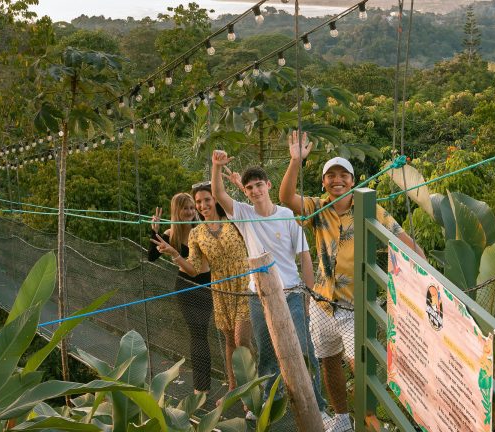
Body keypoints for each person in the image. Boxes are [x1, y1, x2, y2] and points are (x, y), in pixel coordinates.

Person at [279, 130, 426, 432]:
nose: (336, 180)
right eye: (330, 176)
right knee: (328, 360)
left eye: (342, 175)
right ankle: (343, 419)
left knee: (358, 365)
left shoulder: (370, 208)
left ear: (353, 180)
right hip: (322, 302)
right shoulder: (318, 208)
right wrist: (295, 162)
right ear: (323, 182)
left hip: (354, 306)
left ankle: (366, 419)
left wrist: (424, 273)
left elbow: (403, 240)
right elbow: (285, 198)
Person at [210, 149, 329, 419]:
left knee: (304, 347)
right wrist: (216, 167)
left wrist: (309, 296)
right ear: (246, 190)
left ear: (268, 186)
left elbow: (305, 257)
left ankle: (319, 407)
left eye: (258, 185)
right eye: (249, 187)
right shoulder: (243, 214)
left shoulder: (287, 215)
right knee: (266, 352)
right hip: (259, 294)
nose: (254, 190)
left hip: (291, 293)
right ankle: (269, 403)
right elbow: (219, 195)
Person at [152, 183, 252, 396]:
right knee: (205, 335)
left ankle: (253, 386)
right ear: (177, 211)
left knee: (241, 338)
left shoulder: (227, 222)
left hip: (223, 284)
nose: (194, 209)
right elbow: (157, 256)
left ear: (215, 199)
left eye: (195, 205)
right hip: (191, 285)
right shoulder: (187, 233)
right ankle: (207, 386)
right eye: (191, 205)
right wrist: (165, 244)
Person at [147, 193, 213, 394]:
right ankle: (201, 387)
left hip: (207, 285)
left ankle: (203, 386)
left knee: (202, 333)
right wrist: (154, 232)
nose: (191, 212)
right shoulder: (171, 234)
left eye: (192, 208)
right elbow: (151, 256)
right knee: (198, 334)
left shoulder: (202, 229)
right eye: (186, 208)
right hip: (185, 286)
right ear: (177, 210)